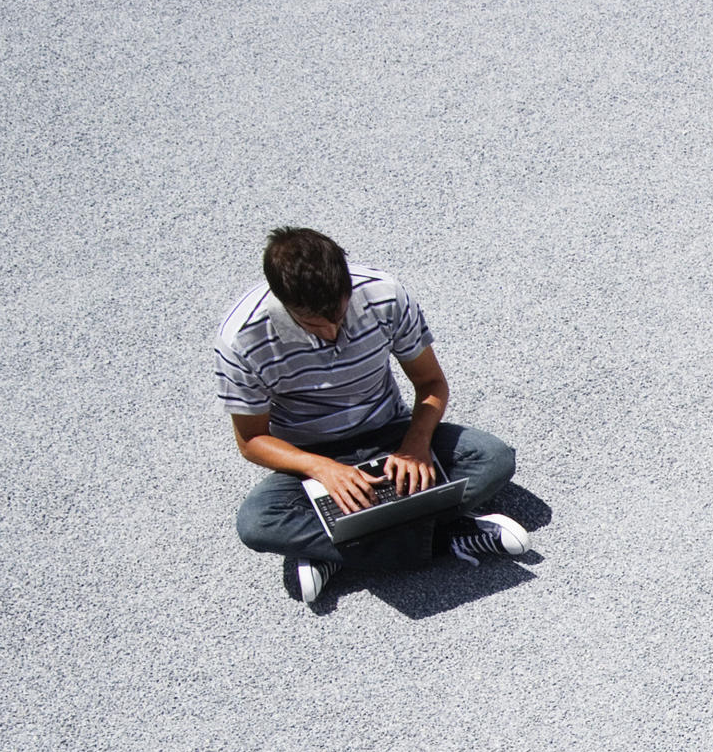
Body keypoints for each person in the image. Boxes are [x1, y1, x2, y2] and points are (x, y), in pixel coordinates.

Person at [214, 227, 531, 602]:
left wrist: (415, 445)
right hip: (310, 458)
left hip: (390, 432)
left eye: (340, 313)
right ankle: (447, 535)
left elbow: (430, 383)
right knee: (257, 523)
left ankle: (338, 549)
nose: (333, 332)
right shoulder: (242, 340)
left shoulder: (384, 295)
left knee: (493, 458)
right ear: (283, 303)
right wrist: (323, 469)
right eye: (316, 325)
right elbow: (251, 441)